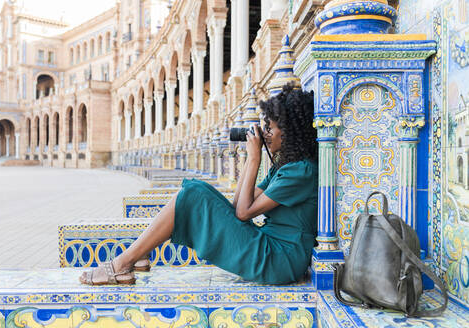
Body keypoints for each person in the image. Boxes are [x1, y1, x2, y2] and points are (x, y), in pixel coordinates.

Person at [79, 84, 318, 285]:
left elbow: (243, 213)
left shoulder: (301, 171)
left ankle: (123, 263)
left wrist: (254, 158)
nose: (264, 134)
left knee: (194, 193)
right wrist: (249, 159)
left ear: (289, 133)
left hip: (280, 260)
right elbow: (237, 206)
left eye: (269, 128)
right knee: (197, 190)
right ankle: (136, 255)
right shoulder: (286, 167)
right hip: (272, 247)